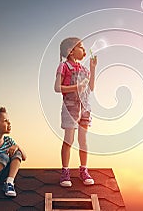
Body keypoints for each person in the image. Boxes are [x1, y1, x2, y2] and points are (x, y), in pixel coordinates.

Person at [54, 37, 97, 187]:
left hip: (85, 108)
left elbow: (91, 88)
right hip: (70, 107)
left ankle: (83, 170)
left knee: (83, 141)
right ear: (70, 51)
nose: (84, 51)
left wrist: (92, 68)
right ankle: (65, 171)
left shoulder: (84, 69)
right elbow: (57, 88)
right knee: (69, 140)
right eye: (81, 48)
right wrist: (76, 87)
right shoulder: (63, 66)